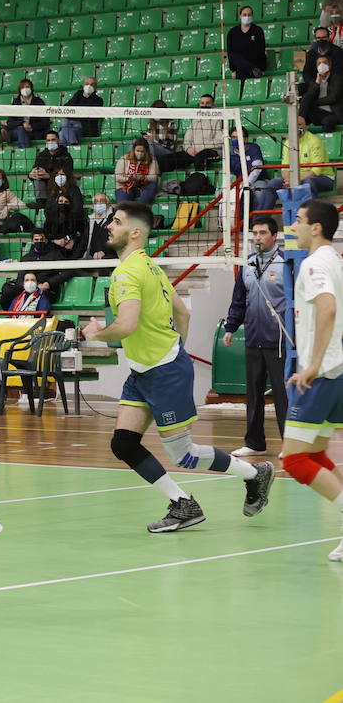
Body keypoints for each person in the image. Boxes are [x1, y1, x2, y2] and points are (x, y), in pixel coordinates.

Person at [82, 202, 274, 533]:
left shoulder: (127, 273)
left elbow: (126, 325)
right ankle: (182, 504)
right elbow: (182, 315)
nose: (108, 226)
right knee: (123, 444)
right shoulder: (151, 268)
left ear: (135, 232)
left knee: (184, 455)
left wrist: (97, 333)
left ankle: (255, 474)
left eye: (115, 221)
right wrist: (175, 351)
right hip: (147, 371)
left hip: (163, 372)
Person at [280, 199, 343, 563]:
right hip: (337, 371)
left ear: (316, 227)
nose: (294, 227)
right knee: (315, 453)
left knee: (295, 460)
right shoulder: (335, 260)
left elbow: (329, 308)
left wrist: (313, 364)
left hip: (322, 374)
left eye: (299, 221)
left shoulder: (315, 264)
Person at [222, 217, 289, 458]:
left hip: (279, 341)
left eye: (262, 233)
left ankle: (289, 445)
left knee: (283, 395)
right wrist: (230, 328)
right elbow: (238, 300)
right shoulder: (247, 265)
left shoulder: (286, 264)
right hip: (253, 338)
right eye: (254, 233)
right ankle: (254, 443)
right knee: (253, 394)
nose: (257, 238)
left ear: (274, 236)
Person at [258, 114, 336, 213]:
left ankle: (311, 217)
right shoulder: (288, 142)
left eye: (300, 124)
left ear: (306, 127)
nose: (297, 127)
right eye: (294, 125)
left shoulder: (314, 141)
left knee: (309, 183)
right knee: (272, 184)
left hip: (322, 177)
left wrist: (297, 180)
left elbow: (316, 170)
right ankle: (260, 221)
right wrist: (288, 180)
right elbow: (285, 167)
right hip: (295, 177)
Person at [0, 230, 77, 307]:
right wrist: (25, 286)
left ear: (46, 240)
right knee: (7, 290)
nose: (39, 241)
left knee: (36, 298)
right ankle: (11, 316)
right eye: (36, 239)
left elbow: (69, 271)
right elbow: (20, 278)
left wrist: (49, 283)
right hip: (27, 288)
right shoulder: (26, 258)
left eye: (41, 239)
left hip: (46, 290)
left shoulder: (55, 255)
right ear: (32, 241)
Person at [164, 92, 223, 171]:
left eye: (207, 103)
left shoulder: (218, 119)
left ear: (213, 105)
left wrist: (202, 148)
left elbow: (220, 140)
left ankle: (199, 180)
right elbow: (187, 139)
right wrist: (188, 149)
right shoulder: (195, 120)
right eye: (202, 103)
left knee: (200, 157)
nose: (204, 105)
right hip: (193, 151)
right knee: (167, 159)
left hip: (211, 151)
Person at [229, 128, 269, 218]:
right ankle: (239, 222)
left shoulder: (254, 148)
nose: (236, 140)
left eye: (239, 137)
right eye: (233, 137)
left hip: (258, 180)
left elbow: (257, 168)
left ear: (245, 139)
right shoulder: (230, 155)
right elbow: (230, 174)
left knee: (260, 192)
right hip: (240, 182)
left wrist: (247, 183)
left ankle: (257, 221)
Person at [28, 130, 74, 206]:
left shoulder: (66, 156)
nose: (51, 142)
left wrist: (49, 176)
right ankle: (41, 202)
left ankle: (59, 199)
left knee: (60, 179)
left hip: (60, 184)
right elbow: (35, 169)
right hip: (45, 185)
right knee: (37, 178)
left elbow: (68, 174)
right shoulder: (41, 155)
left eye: (53, 140)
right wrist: (31, 174)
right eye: (48, 140)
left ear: (58, 140)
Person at [302, 54, 343, 132]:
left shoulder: (337, 78)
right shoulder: (315, 80)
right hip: (319, 114)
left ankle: (327, 142)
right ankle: (300, 119)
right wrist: (317, 82)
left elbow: (333, 98)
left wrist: (315, 102)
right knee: (305, 99)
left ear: (330, 65)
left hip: (333, 113)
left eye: (324, 63)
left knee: (328, 121)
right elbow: (309, 96)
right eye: (319, 63)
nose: (322, 65)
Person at [5, 79, 50, 148]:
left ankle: (24, 154)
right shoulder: (16, 102)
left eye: (27, 87)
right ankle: (26, 153)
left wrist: (32, 126)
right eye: (22, 87)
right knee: (21, 130)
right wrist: (22, 124)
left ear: (31, 88)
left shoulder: (39, 102)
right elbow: (10, 122)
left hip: (34, 131)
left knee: (22, 133)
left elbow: (45, 122)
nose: (25, 89)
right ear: (19, 90)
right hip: (17, 131)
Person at [225, 6, 267, 79]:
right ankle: (251, 69)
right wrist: (233, 70)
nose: (247, 17)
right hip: (241, 68)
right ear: (240, 16)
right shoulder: (232, 32)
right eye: (244, 15)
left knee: (242, 67)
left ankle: (252, 69)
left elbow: (260, 51)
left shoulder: (258, 31)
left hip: (255, 64)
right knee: (236, 58)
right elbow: (230, 54)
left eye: (249, 14)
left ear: (252, 16)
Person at [43, 189, 88, 257]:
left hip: (71, 250)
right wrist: (55, 241)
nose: (63, 204)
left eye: (66, 202)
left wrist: (73, 241)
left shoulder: (76, 218)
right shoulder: (50, 218)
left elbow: (83, 234)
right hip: (52, 250)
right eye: (60, 201)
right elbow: (45, 235)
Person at [59, 77, 103, 145]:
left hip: (85, 128)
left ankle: (69, 148)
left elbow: (87, 115)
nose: (89, 86)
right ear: (83, 85)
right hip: (72, 126)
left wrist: (72, 114)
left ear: (95, 87)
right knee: (64, 126)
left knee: (62, 131)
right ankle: (73, 143)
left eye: (92, 85)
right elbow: (66, 108)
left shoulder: (98, 100)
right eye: (87, 84)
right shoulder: (78, 95)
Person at [114, 140, 159, 205]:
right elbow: (117, 176)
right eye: (137, 151)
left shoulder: (152, 159)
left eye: (142, 151)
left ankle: (140, 209)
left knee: (152, 185)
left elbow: (154, 177)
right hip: (126, 186)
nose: (139, 153)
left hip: (144, 187)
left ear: (146, 151)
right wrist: (127, 178)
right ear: (133, 150)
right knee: (123, 204)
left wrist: (143, 178)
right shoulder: (125, 158)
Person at [301, 25, 343, 89]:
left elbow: (339, 72)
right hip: (316, 84)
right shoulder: (311, 54)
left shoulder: (338, 52)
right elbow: (306, 72)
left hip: (335, 86)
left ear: (328, 38)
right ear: (315, 39)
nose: (321, 40)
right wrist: (314, 84)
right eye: (318, 38)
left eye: (324, 37)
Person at [82, 193, 115, 261]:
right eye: (96, 202)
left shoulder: (114, 219)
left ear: (109, 204)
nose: (99, 204)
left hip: (108, 257)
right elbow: (84, 242)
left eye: (102, 201)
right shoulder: (91, 220)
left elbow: (116, 239)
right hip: (91, 257)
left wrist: (104, 252)